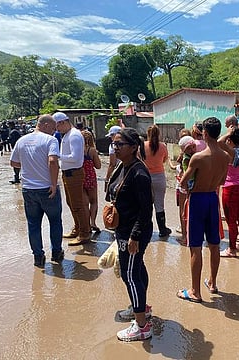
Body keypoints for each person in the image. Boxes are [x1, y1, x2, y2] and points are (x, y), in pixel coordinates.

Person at [107, 127, 153, 342]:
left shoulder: (139, 172)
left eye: (119, 144)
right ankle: (142, 308)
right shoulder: (122, 166)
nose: (115, 148)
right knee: (137, 268)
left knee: (130, 275)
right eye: (114, 144)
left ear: (134, 147)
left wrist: (134, 236)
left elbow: (146, 209)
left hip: (134, 232)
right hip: (124, 229)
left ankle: (142, 325)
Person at [177, 117, 229, 302]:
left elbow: (183, 182)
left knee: (195, 246)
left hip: (197, 200)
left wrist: (186, 181)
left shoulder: (198, 157)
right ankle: (213, 283)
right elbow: (222, 181)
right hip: (212, 199)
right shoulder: (225, 157)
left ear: (205, 133)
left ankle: (195, 291)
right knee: (214, 244)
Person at [9, 114, 63, 268]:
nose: (54, 132)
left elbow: (13, 162)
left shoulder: (22, 140)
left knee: (33, 224)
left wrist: (30, 165)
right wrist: (53, 184)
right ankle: (57, 253)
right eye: (53, 128)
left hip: (28, 190)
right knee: (55, 221)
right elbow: (53, 161)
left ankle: (38, 257)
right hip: (47, 188)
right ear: (45, 125)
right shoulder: (50, 140)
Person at [53, 111, 90, 246]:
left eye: (57, 127)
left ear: (62, 123)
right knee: (71, 203)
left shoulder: (74, 136)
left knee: (78, 205)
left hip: (74, 173)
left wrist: (57, 156)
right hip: (68, 173)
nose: (57, 130)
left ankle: (84, 233)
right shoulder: (68, 135)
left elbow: (74, 157)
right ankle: (78, 228)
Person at [218, 126, 239, 257]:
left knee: (231, 220)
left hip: (230, 188)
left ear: (230, 139)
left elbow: (219, 142)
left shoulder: (232, 152)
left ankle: (232, 249)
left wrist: (228, 133)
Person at [144, 124, 171, 237]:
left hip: (146, 177)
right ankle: (162, 230)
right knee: (159, 205)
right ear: (158, 134)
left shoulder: (143, 145)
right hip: (159, 177)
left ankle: (146, 230)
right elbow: (165, 159)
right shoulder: (163, 146)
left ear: (148, 134)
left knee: (146, 205)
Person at [81, 130, 101, 233]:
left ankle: (86, 225)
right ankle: (93, 222)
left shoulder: (77, 150)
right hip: (91, 178)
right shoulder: (92, 151)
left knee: (84, 204)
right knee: (93, 202)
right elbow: (98, 166)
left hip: (80, 178)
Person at [104, 125, 122, 194]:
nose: (111, 138)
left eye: (111, 136)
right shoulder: (128, 144)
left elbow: (112, 164)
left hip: (118, 173)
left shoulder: (113, 146)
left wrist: (107, 179)